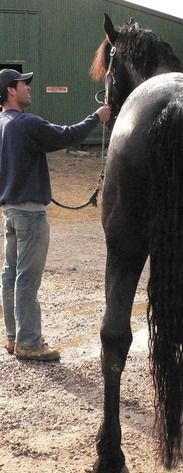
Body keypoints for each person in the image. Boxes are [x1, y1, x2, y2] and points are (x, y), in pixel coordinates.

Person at [0, 68, 111, 362]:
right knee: (26, 279)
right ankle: (29, 342)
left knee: (10, 275)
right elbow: (66, 135)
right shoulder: (25, 124)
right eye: (25, 84)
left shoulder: (2, 124)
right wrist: (97, 118)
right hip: (31, 215)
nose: (29, 88)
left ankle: (13, 337)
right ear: (11, 90)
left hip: (10, 212)